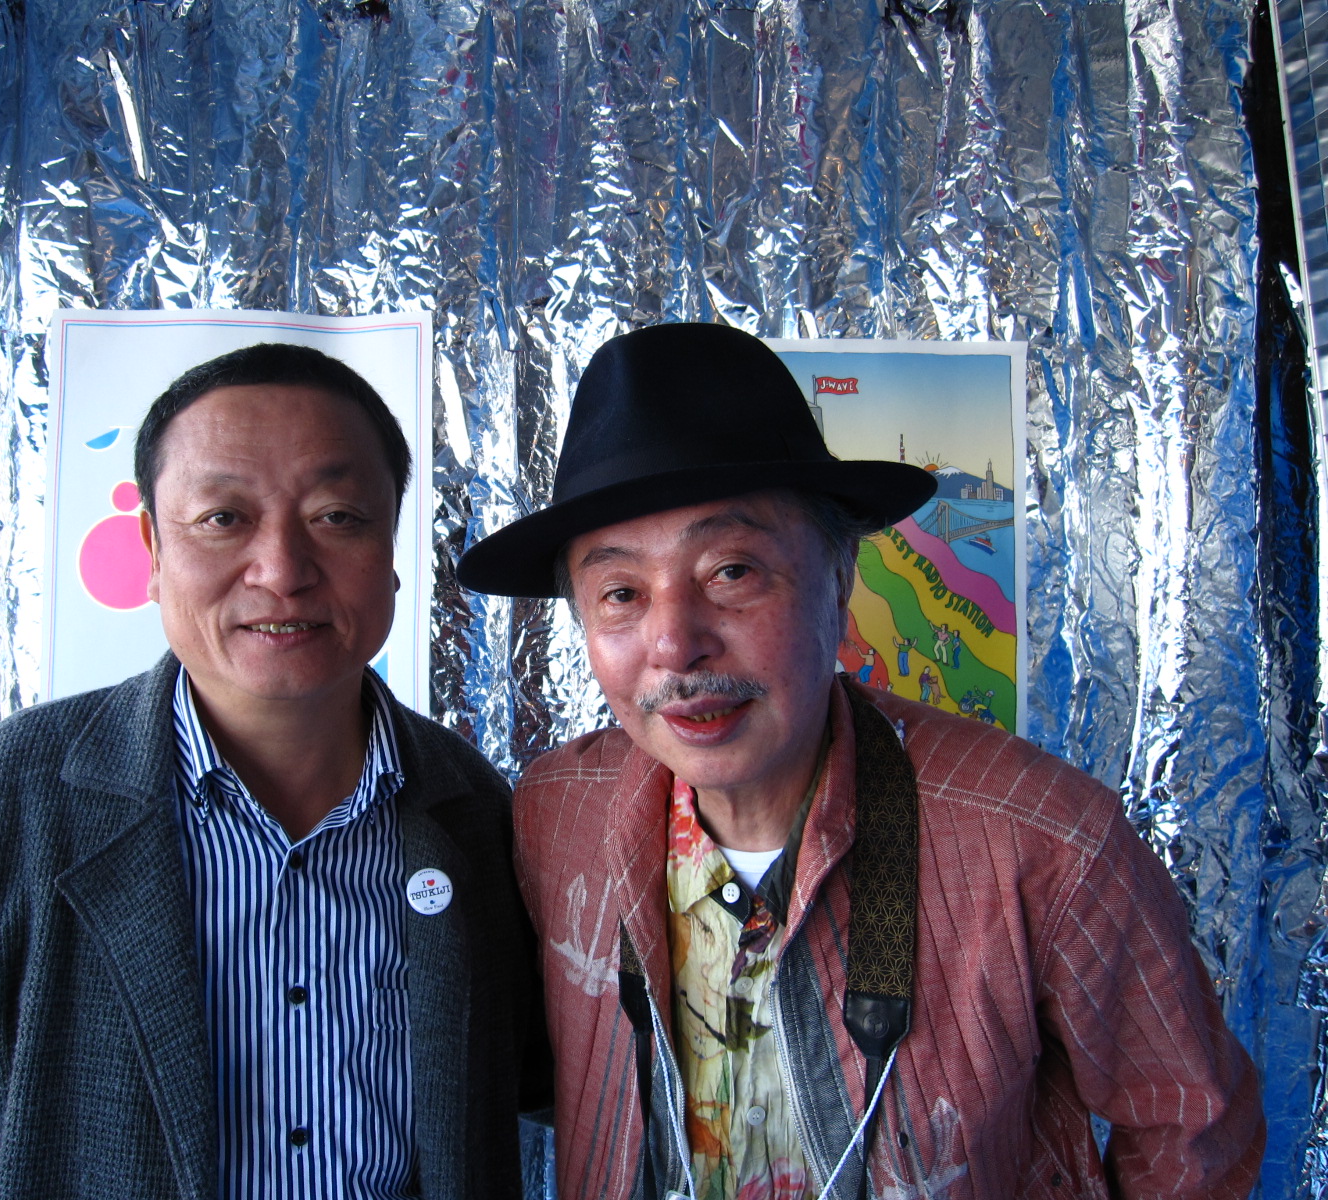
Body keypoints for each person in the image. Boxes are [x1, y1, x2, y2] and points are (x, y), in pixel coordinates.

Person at [456, 323, 1263, 1199]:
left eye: (731, 571)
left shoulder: (1046, 844)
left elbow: (1195, 1128)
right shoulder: (554, 814)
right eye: (621, 593)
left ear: (840, 578)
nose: (675, 644)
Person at [0, 343, 548, 1200]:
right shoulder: (13, 797)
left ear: (393, 545)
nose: (281, 571)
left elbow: (541, 1083)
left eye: (337, 516)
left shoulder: (470, 808)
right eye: (223, 518)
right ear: (153, 549)